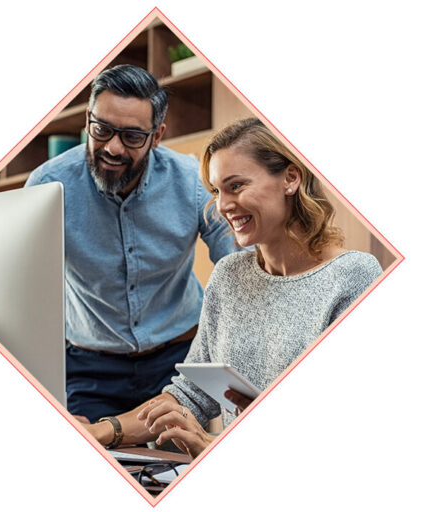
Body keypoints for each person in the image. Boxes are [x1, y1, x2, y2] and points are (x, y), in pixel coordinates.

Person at [85, 117, 383, 457]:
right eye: (216, 191)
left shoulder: (354, 276)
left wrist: (210, 446)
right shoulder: (229, 274)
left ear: (290, 178)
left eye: (236, 186)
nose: (222, 205)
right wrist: (103, 431)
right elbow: (191, 394)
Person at [25, 65, 236, 423]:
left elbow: (237, 264)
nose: (112, 147)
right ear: (89, 118)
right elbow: (25, 286)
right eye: (102, 129)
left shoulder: (190, 182)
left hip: (179, 361)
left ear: (157, 136)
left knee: (175, 466)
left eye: (132, 137)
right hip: (90, 369)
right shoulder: (48, 186)